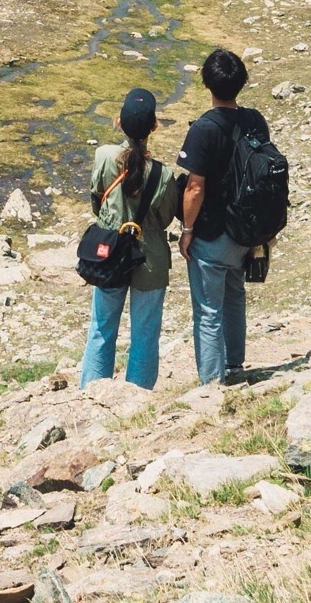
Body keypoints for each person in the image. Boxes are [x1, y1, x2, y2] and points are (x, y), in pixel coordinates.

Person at [176, 47, 271, 383]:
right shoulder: (255, 120)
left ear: (207, 84)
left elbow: (194, 188)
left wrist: (186, 230)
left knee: (207, 311)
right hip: (246, 231)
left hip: (213, 233)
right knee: (235, 297)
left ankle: (212, 383)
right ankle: (235, 366)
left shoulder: (203, 129)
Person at [79, 86, 176, 386]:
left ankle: (92, 394)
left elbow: (97, 201)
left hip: (110, 253)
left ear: (118, 121)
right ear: (154, 127)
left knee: (101, 328)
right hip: (150, 258)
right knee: (145, 335)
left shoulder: (104, 156)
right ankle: (137, 399)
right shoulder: (164, 174)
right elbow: (166, 218)